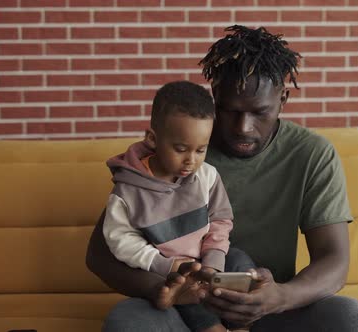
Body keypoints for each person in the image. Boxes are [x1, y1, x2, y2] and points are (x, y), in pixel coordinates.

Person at [86, 25, 358, 331]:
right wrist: (167, 290)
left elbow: (334, 262)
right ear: (215, 96)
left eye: (259, 112)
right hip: (180, 306)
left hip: (266, 307)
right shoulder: (181, 146)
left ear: (283, 99)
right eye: (230, 110)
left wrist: (280, 296)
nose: (243, 128)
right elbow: (99, 255)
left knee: (353, 319)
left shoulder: (311, 154)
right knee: (126, 323)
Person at [101, 80, 253, 332]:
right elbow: (122, 241)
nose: (191, 161)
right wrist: (166, 265)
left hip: (207, 258)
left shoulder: (207, 176)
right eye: (180, 149)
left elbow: (220, 220)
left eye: (201, 150)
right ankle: (212, 328)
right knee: (184, 287)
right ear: (152, 138)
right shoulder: (127, 192)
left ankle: (241, 325)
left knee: (240, 261)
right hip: (169, 271)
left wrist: (213, 261)